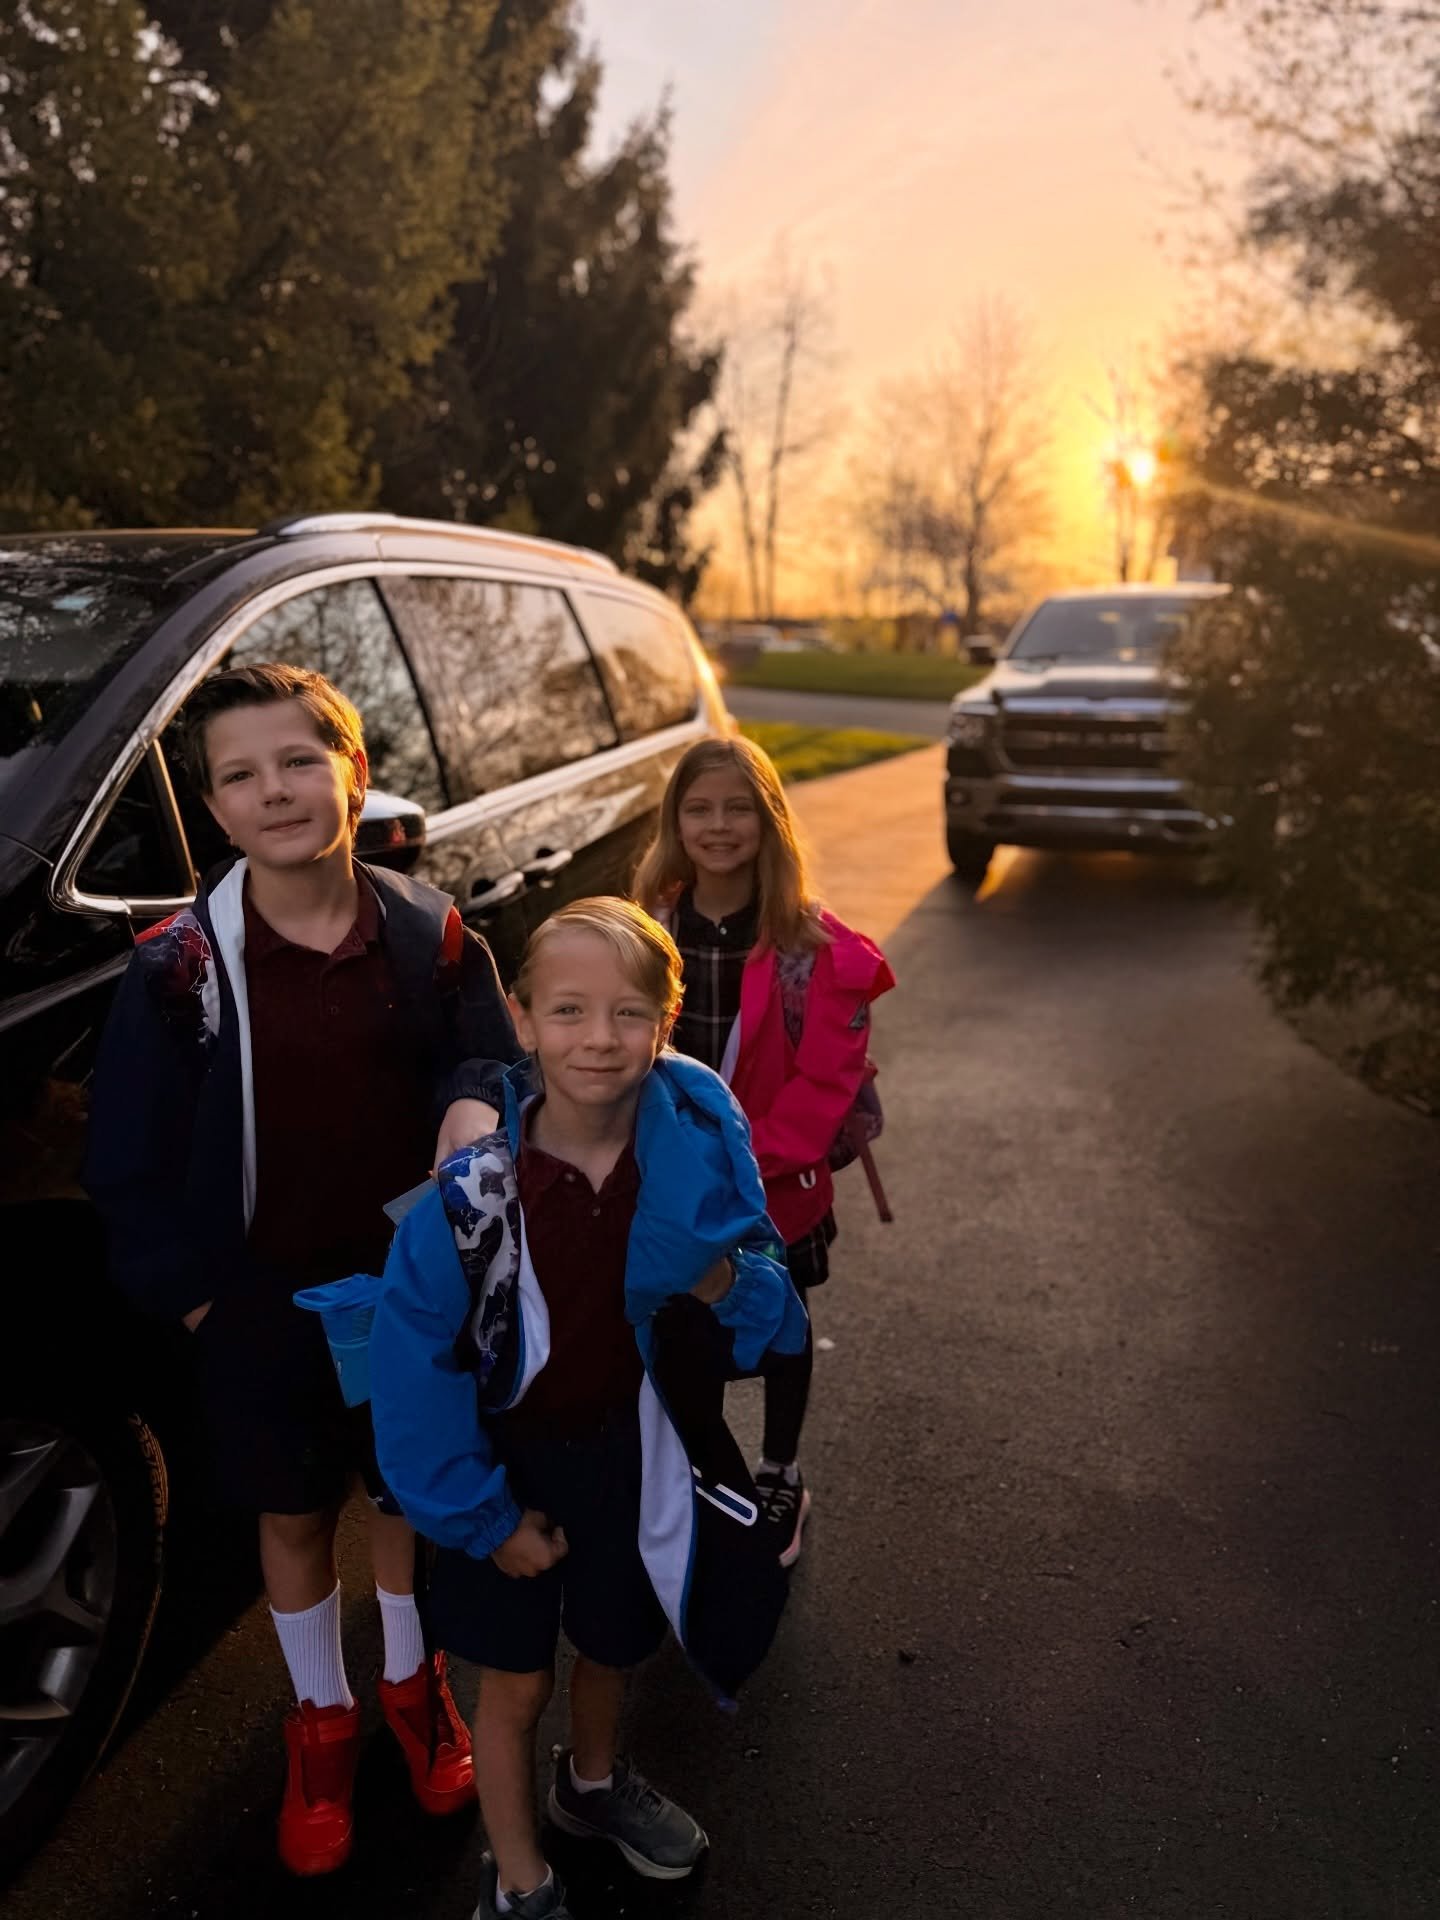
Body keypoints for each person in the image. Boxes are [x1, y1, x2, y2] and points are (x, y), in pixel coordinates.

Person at [83, 662, 520, 1876]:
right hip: (260, 1299)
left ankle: (408, 1685)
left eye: (296, 761)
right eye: (239, 775)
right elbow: (127, 1156)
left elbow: (484, 1063)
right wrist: (198, 1295)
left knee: (405, 1494)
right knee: (292, 1507)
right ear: (215, 812)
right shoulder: (179, 972)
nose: (273, 790)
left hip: (408, 1291)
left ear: (353, 772)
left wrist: (472, 1111)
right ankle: (320, 1717)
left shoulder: (431, 937)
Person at [368, 897, 806, 1920]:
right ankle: (519, 1880)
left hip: (632, 1451)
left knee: (615, 1645)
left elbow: (764, 1313)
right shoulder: (473, 1197)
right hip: (503, 1464)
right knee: (514, 1685)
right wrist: (482, 1519)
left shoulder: (692, 1166)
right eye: (566, 1012)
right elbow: (414, 1372)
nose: (598, 1039)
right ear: (520, 1021)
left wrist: (722, 1288)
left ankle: (594, 1786)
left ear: (666, 1019)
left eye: (626, 1013)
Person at [635, 735, 895, 1566]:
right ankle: (715, 1473)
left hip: (776, 1183)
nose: (718, 826)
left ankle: (782, 1470)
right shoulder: (649, 930)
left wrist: (739, 1164)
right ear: (675, 822)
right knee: (687, 1322)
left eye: (738, 808)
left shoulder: (810, 950)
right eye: (699, 808)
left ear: (769, 820)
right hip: (670, 1187)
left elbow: (823, 1083)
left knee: (783, 1326)